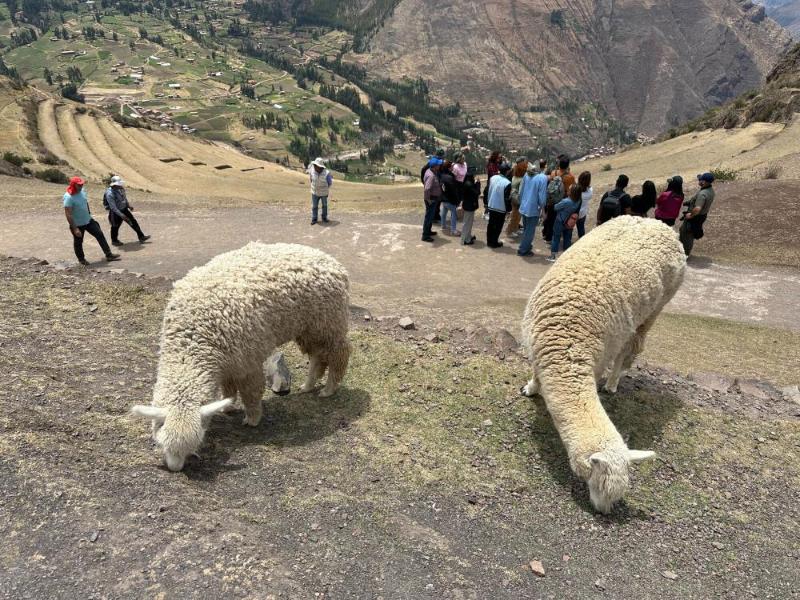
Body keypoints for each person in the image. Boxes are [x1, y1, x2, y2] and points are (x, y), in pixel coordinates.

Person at [63, 176, 121, 265]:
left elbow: (85, 202)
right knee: (78, 242)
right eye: (79, 185)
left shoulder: (82, 191)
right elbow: (68, 214)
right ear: (73, 185)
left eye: (82, 184)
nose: (81, 186)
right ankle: (81, 260)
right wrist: (75, 229)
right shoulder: (68, 197)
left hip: (88, 220)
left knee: (100, 235)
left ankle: (109, 255)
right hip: (77, 224)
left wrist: (89, 214)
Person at [104, 175, 150, 245]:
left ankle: (141, 236)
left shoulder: (120, 189)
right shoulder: (109, 193)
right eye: (118, 184)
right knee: (115, 226)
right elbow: (113, 207)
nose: (120, 185)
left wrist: (128, 205)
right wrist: (122, 215)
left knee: (133, 222)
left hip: (124, 209)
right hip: (115, 213)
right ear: (114, 185)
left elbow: (124, 198)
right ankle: (114, 241)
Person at [680, 172, 716, 256]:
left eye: (701, 180)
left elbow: (697, 208)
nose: (699, 181)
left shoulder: (702, 194)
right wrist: (687, 203)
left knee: (687, 234)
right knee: (687, 232)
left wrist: (690, 215)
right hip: (701, 216)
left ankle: (685, 254)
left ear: (704, 182)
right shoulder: (710, 190)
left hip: (695, 217)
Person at [517, 161, 548, 256]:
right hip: (533, 208)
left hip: (524, 206)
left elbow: (521, 191)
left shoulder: (527, 174)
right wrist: (543, 212)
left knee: (526, 229)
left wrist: (521, 203)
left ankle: (527, 246)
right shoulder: (542, 177)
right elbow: (542, 197)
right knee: (530, 231)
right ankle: (523, 250)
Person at [547, 183, 582, 262]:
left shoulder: (566, 201)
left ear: (572, 192)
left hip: (560, 221)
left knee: (556, 237)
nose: (567, 190)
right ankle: (566, 256)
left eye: (569, 189)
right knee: (567, 238)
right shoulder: (579, 200)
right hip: (570, 222)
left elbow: (556, 207)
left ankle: (553, 256)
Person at [485, 161, 512, 248]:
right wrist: (509, 209)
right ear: (507, 171)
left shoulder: (493, 177)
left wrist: (486, 203)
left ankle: (489, 241)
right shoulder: (507, 183)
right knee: (498, 225)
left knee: (491, 224)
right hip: (501, 207)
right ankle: (494, 242)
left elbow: (487, 190)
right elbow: (507, 198)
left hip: (491, 204)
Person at [422, 157, 443, 242]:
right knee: (429, 217)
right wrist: (428, 200)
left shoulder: (430, 171)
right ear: (435, 166)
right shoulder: (431, 175)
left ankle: (428, 231)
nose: (440, 165)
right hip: (431, 199)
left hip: (432, 198)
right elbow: (427, 189)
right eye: (438, 164)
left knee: (430, 217)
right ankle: (425, 235)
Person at [506, 157, 527, 239]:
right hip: (517, 198)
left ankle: (515, 229)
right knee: (514, 215)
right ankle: (509, 231)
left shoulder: (515, 175)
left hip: (516, 198)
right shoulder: (520, 177)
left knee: (518, 215)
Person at [308, 157, 333, 225]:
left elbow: (330, 183)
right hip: (314, 192)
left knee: (324, 205)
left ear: (321, 167)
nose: (315, 167)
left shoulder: (327, 173)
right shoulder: (312, 171)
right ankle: (314, 218)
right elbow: (311, 180)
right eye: (315, 165)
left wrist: (324, 188)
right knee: (314, 206)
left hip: (324, 193)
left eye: (317, 166)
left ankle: (324, 217)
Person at [439, 161, 460, 236]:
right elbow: (453, 191)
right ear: (449, 168)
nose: (452, 167)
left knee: (444, 213)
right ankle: (453, 230)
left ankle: (443, 226)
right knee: (453, 214)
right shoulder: (450, 177)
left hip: (443, 198)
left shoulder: (442, 176)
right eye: (451, 166)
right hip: (450, 200)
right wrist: (457, 200)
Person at [460, 171, 481, 245]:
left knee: (468, 223)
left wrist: (475, 184)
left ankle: (468, 236)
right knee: (467, 223)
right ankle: (465, 240)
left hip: (467, 205)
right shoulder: (469, 184)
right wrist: (478, 183)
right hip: (469, 206)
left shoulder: (466, 183)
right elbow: (477, 193)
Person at [483, 151, 502, 218]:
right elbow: (493, 174)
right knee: (490, 197)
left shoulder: (496, 164)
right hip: (491, 183)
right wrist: (499, 173)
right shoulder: (491, 164)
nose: (500, 159)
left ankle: (489, 212)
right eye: (499, 157)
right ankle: (486, 213)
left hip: (495, 183)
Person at [576, 170, 592, 238]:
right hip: (583, 213)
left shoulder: (575, 189)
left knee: (569, 229)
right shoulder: (590, 190)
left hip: (573, 213)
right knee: (581, 229)